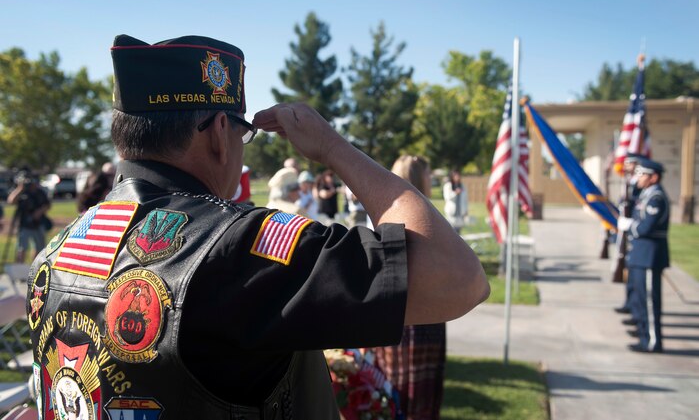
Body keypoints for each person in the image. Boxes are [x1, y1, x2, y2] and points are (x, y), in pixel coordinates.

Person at [25, 34, 489, 419]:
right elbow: (457, 278)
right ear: (218, 137)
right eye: (241, 133)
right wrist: (332, 146)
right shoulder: (236, 248)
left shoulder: (57, 253)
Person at [370, 154, 445, 420]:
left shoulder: (381, 217)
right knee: (414, 394)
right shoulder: (432, 222)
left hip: (394, 313)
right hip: (421, 317)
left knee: (390, 389)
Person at [617, 158, 669, 353]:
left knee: (649, 302)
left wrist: (630, 226)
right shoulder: (646, 194)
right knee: (640, 298)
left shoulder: (656, 197)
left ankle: (652, 341)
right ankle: (643, 334)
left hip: (649, 256)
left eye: (642, 175)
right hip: (640, 254)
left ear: (653, 177)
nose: (637, 178)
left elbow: (646, 227)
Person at [613, 153, 644, 315]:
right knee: (629, 270)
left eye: (629, 164)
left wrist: (630, 223)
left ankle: (635, 307)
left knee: (635, 274)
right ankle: (630, 303)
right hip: (628, 230)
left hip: (635, 231)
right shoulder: (629, 182)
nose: (625, 167)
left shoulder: (638, 185)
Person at [8, 171, 51, 263]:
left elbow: (47, 204)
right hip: (24, 224)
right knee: (22, 248)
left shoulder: (40, 192)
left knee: (39, 248)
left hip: (38, 223)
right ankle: (20, 268)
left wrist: (39, 211)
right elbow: (11, 201)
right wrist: (20, 188)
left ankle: (34, 267)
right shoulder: (22, 192)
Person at [443, 169, 469, 234]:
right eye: (456, 175)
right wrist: (455, 193)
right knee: (451, 232)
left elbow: (465, 199)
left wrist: (466, 210)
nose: (457, 177)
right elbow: (447, 197)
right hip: (451, 213)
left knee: (458, 233)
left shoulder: (462, 186)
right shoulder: (448, 185)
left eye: (458, 175)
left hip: (460, 213)